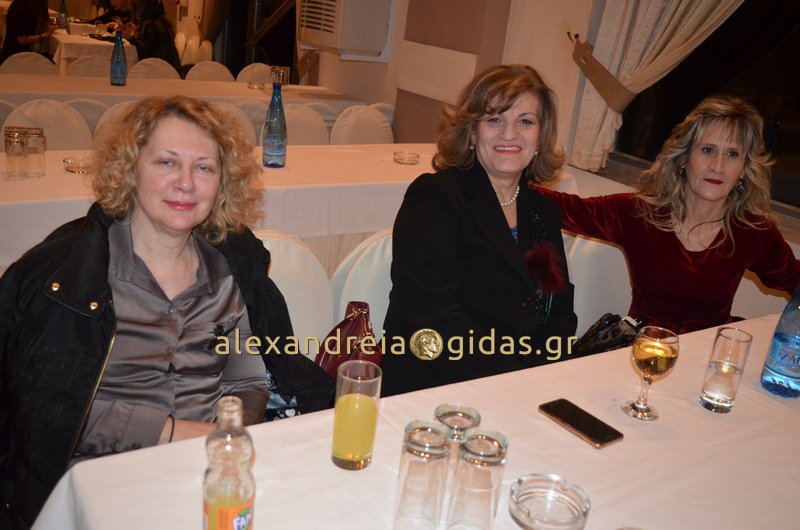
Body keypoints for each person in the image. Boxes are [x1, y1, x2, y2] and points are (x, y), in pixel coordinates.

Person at [0, 96, 334, 528]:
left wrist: (231, 432)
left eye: (204, 168)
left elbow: (247, 380)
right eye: (166, 163)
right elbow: (44, 408)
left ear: (222, 184)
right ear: (130, 169)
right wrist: (174, 432)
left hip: (207, 468)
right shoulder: (70, 277)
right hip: (99, 480)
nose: (186, 183)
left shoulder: (231, 273)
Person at [382, 64, 578, 396]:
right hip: (435, 386)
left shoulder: (542, 211)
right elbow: (430, 321)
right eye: (494, 119)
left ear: (540, 136)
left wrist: (544, 380)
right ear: (473, 133)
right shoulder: (435, 198)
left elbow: (557, 313)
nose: (509, 134)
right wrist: (513, 384)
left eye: (525, 121)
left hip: (520, 386)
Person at [537, 94, 800, 334]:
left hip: (705, 355)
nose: (718, 166)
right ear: (684, 158)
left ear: (743, 169)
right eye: (707, 150)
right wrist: (511, 174)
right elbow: (561, 207)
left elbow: (794, 279)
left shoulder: (753, 231)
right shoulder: (640, 213)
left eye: (732, 154)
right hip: (642, 353)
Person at [122, 0, 181, 72]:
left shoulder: (152, 27)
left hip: (161, 71)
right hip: (171, 69)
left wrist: (132, 38)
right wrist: (137, 31)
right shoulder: (162, 23)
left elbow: (144, 53)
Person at [0, 0, 56, 65]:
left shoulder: (20, 3)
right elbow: (22, 39)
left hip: (11, 54)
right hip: (16, 58)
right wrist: (45, 35)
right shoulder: (25, 8)